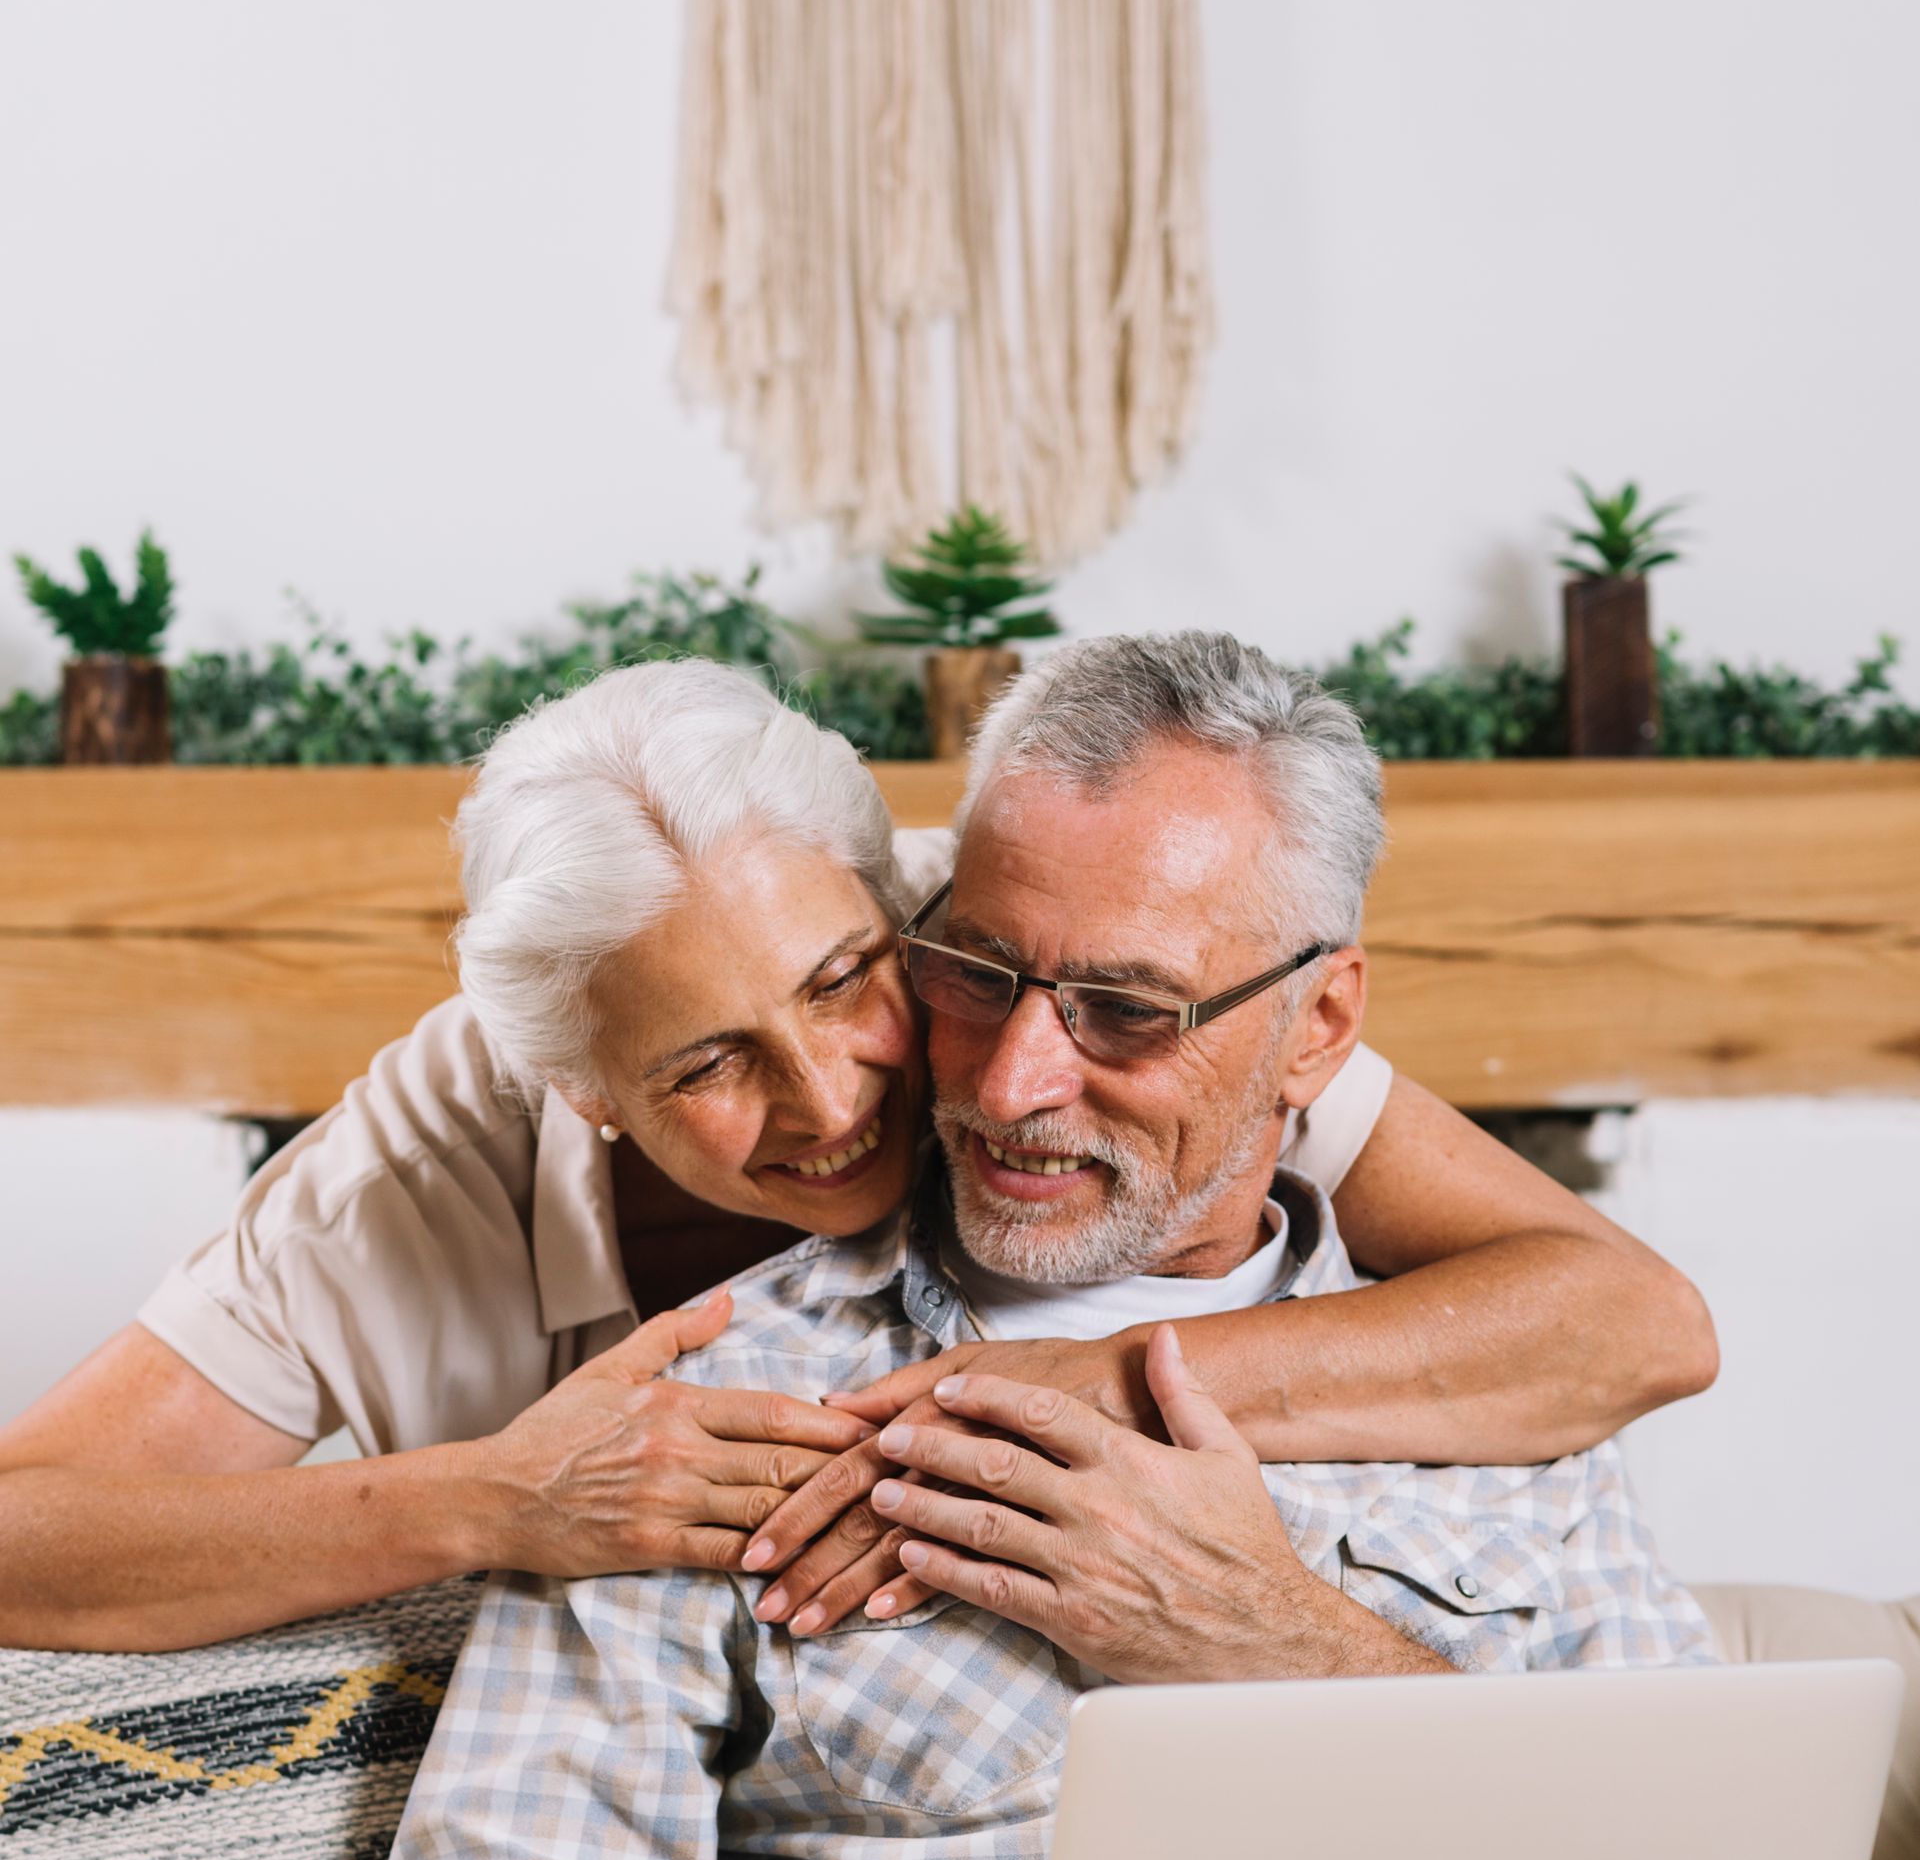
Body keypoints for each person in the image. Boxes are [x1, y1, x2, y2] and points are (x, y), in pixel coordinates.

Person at [369, 632, 1920, 1860]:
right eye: (982, 974)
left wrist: (1270, 1643)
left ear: (1321, 1026)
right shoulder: (726, 1407)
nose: (1020, 1077)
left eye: (1124, 1009)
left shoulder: (1509, 1379)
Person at [0, 656, 1712, 1655]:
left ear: (892, 900)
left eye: (845, 983)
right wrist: (500, 1498)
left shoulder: (1037, 988)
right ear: (587, 1092)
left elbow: (1628, 1323)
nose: (835, 1099)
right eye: (708, 1063)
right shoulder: (423, 1155)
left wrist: (1088, 1381)